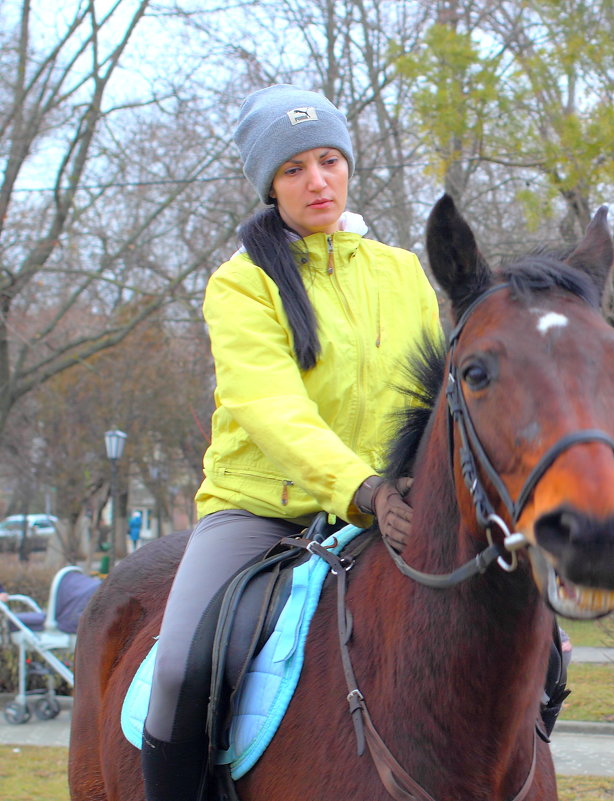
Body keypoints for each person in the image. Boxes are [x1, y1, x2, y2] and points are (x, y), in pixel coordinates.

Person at [141, 85, 444, 801]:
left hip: (391, 505)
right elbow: (272, 409)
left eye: (330, 160)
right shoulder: (241, 285)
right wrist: (361, 489)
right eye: (294, 168)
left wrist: (418, 487)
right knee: (182, 665)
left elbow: (435, 399)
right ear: (269, 185)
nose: (318, 180)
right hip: (263, 511)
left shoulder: (403, 274)